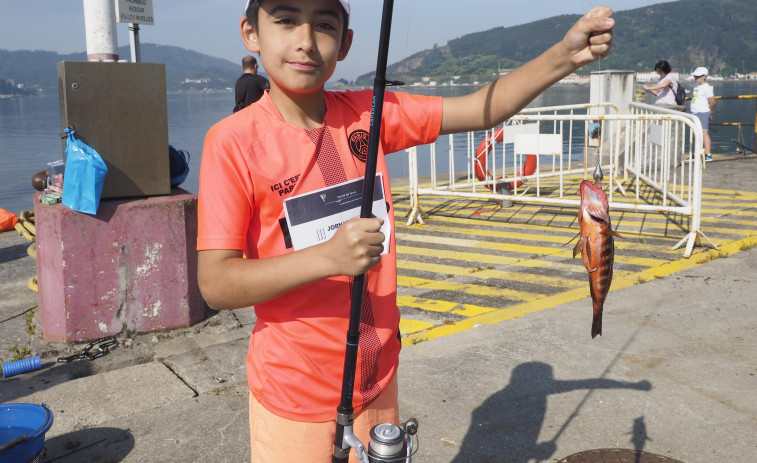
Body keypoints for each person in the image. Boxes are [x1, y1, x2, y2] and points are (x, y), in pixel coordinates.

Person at [197, 1, 614, 461]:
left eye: (324, 25)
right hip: (294, 397)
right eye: (286, 20)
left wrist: (567, 54)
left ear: (346, 44)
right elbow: (216, 283)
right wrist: (326, 258)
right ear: (251, 33)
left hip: (378, 382)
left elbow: (478, 109)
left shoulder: (370, 114)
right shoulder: (231, 142)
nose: (305, 40)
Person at [690, 66, 716, 161]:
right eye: (695, 76)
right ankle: (696, 153)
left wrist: (711, 112)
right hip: (695, 112)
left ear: (704, 76)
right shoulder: (697, 86)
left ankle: (708, 154)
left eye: (698, 76)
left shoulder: (707, 87)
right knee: (696, 133)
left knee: (704, 133)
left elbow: (712, 101)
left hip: (703, 112)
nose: (695, 78)